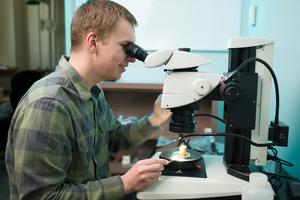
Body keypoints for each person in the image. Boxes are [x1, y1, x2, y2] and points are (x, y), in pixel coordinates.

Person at [5, 0, 171, 199]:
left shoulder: (93, 91)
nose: (133, 58)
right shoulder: (49, 105)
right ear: (93, 42)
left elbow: (114, 136)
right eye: (126, 47)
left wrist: (155, 119)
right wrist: (124, 183)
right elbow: (43, 197)